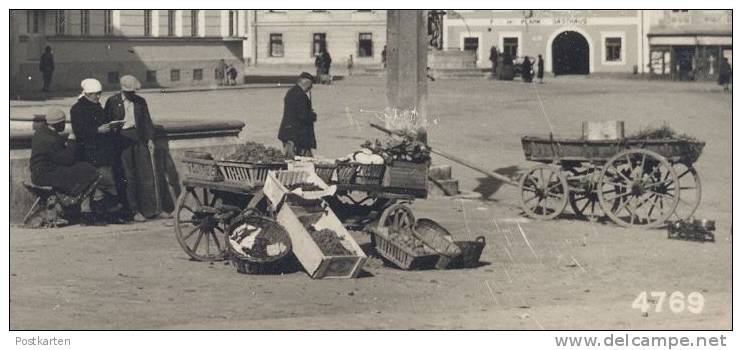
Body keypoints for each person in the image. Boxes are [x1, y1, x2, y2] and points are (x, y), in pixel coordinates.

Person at [104, 75, 172, 222]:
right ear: (122, 90)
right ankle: (134, 211)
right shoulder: (112, 101)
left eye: (133, 92)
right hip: (122, 140)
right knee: (129, 176)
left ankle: (153, 210)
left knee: (146, 174)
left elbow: (147, 122)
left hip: (139, 138)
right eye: (129, 92)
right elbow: (107, 122)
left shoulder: (140, 102)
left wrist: (150, 140)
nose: (132, 95)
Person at [31, 109, 113, 225]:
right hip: (45, 174)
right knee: (87, 171)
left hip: (45, 170)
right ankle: (86, 211)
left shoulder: (43, 133)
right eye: (63, 123)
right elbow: (67, 160)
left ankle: (86, 209)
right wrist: (71, 140)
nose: (64, 125)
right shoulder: (50, 139)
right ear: (57, 124)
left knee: (84, 169)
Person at [70, 78, 127, 224]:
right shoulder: (77, 109)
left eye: (99, 93)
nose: (98, 96)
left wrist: (111, 126)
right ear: (87, 94)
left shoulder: (96, 106)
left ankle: (101, 214)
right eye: (95, 94)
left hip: (102, 152)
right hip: (89, 152)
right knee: (103, 182)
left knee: (100, 184)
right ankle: (101, 213)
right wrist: (98, 130)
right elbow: (79, 131)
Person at [278, 72, 317, 158]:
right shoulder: (301, 96)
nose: (310, 89)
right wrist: (312, 116)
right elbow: (302, 115)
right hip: (297, 136)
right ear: (307, 83)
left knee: (290, 158)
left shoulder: (292, 91)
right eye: (310, 86)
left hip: (289, 133)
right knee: (299, 161)